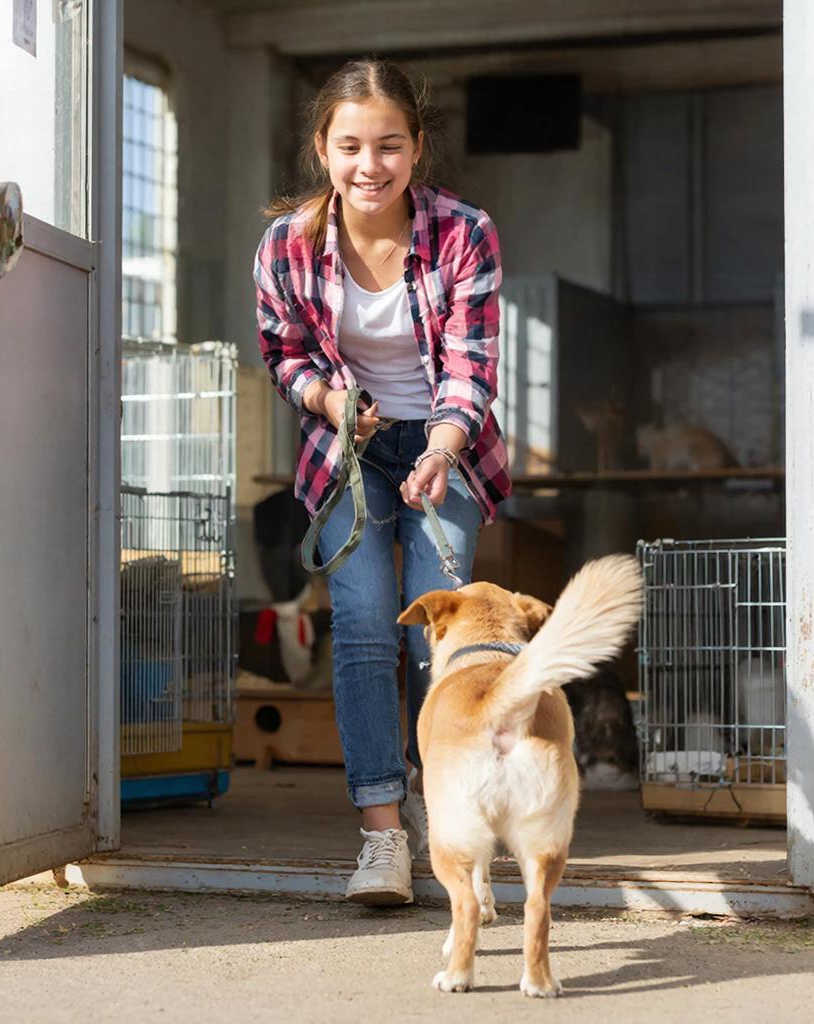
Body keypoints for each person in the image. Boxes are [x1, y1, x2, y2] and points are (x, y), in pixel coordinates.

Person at [253, 58, 511, 905]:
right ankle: (383, 835)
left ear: (417, 147)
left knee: (442, 636)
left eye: (390, 145)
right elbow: (283, 353)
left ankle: (449, 810)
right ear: (322, 148)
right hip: (346, 454)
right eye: (352, 146)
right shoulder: (286, 244)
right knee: (364, 624)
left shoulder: (465, 232)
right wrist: (330, 401)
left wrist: (439, 448)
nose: (371, 165)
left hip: (448, 447)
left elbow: (472, 366)